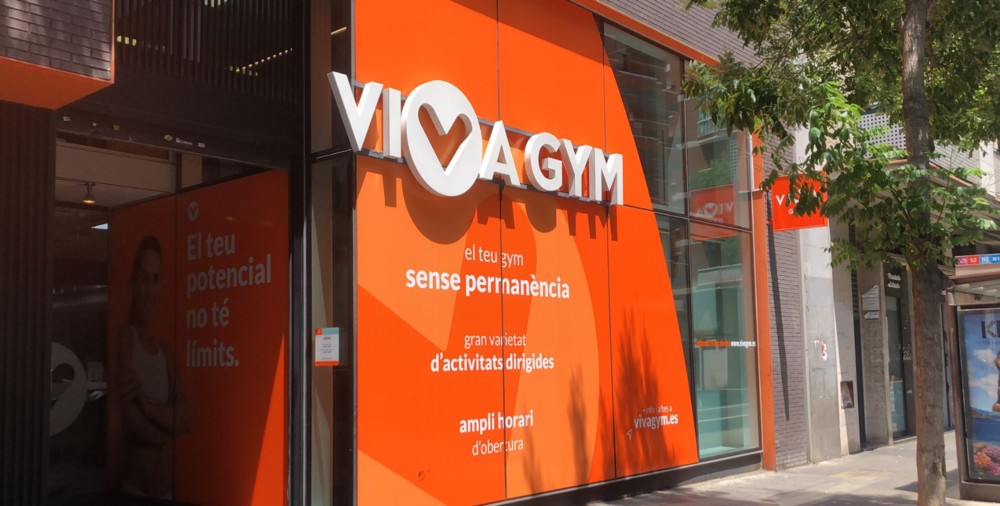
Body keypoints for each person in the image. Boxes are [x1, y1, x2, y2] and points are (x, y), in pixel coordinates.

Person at [116, 235, 191, 499]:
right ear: (133, 284)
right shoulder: (125, 341)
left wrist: (148, 408)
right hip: (136, 491)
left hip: (167, 492)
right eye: (144, 279)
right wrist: (171, 425)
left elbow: (186, 417)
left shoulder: (166, 352)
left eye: (156, 279)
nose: (150, 291)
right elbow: (138, 428)